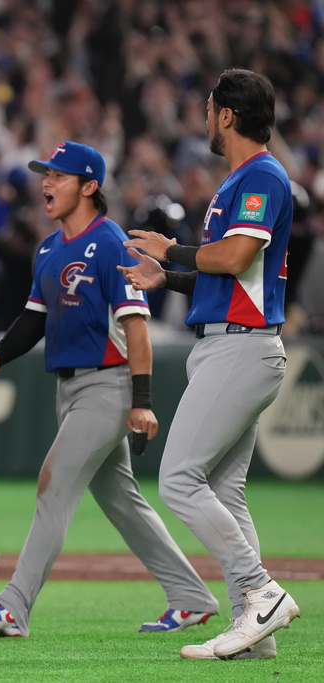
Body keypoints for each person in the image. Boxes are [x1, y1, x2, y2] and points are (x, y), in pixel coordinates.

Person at [0, 141, 219, 639]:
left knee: (51, 485)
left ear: (90, 185)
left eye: (58, 176)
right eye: (45, 175)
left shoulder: (112, 243)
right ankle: (190, 595)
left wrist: (142, 402)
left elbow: (137, 329)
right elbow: (34, 319)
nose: (46, 184)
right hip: (70, 389)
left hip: (109, 386)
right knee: (122, 500)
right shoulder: (49, 247)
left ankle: (14, 606)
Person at [120, 68, 300, 661]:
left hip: (241, 347)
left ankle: (261, 593)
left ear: (226, 114)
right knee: (226, 488)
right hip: (232, 339)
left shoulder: (262, 176)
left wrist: (170, 248)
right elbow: (230, 275)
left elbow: (237, 253)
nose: (204, 117)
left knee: (179, 479)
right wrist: (166, 276)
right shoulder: (242, 179)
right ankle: (254, 637)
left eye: (208, 108)